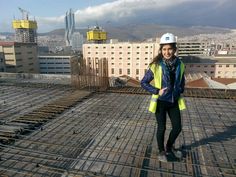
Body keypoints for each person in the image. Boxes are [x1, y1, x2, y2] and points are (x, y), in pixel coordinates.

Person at [141, 33, 186, 162]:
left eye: (170, 49)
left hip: (174, 101)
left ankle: (169, 146)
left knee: (177, 127)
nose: (167, 52)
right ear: (161, 50)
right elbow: (143, 82)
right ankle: (161, 151)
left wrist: (180, 89)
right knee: (162, 127)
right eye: (164, 49)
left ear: (174, 49)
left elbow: (182, 80)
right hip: (160, 102)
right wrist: (156, 90)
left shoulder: (180, 64)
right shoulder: (155, 65)